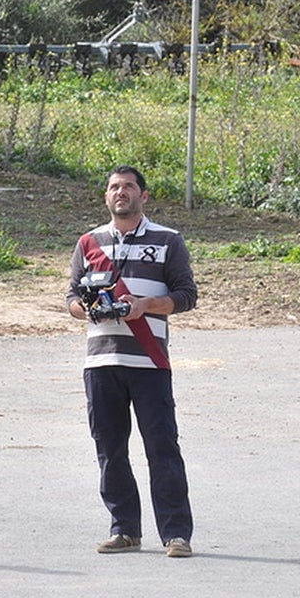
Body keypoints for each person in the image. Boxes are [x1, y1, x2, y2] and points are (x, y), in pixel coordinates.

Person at [65, 165, 198, 558]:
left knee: (162, 448)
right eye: (113, 187)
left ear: (144, 196)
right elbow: (71, 296)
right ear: (106, 197)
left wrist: (145, 307)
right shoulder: (89, 242)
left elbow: (187, 294)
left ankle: (176, 534)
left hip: (149, 362)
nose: (120, 192)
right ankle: (124, 529)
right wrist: (85, 309)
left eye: (127, 187)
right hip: (101, 361)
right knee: (109, 448)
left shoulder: (168, 240)